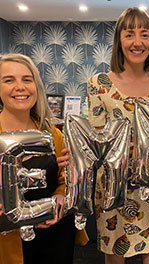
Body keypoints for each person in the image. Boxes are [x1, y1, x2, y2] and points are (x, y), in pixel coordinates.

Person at [87, 7, 149, 264]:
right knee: (115, 258)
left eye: (144, 34)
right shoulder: (99, 83)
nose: (138, 42)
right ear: (119, 40)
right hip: (113, 189)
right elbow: (97, 139)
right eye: (129, 34)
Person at [0, 53, 88, 264]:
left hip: (54, 235)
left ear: (36, 86)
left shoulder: (52, 134)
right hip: (10, 240)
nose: (20, 87)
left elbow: (65, 181)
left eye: (27, 79)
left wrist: (60, 200)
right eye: (9, 80)